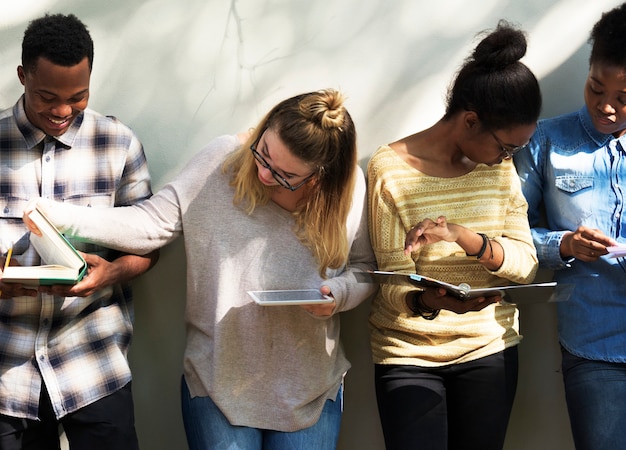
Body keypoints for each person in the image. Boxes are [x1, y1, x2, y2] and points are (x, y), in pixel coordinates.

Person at [24, 88, 377, 450]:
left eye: (286, 175)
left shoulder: (349, 190)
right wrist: (60, 217)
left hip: (310, 389)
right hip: (217, 382)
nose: (265, 174)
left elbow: (365, 269)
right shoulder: (223, 160)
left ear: (320, 177)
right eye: (264, 154)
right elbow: (150, 225)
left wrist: (339, 295)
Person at [367, 21, 542, 450]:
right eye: (505, 147)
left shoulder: (498, 173)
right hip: (407, 355)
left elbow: (527, 265)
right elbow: (391, 285)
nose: (507, 158)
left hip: (489, 347)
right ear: (469, 122)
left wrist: (466, 237)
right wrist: (429, 301)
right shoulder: (389, 171)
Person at [0, 13, 158, 450]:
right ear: (22, 76)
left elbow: (149, 244)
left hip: (93, 365)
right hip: (6, 375)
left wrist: (113, 272)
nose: (63, 111)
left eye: (78, 96)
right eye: (47, 96)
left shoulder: (119, 144)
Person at [514, 4, 626, 449]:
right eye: (596, 88)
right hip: (593, 344)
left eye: (624, 98)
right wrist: (563, 245)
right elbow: (513, 234)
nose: (607, 107)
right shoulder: (547, 141)